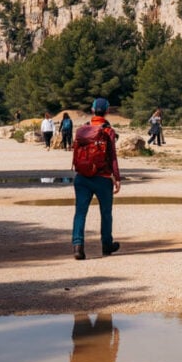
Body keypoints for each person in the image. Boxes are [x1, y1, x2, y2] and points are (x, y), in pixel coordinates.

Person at [71, 98, 121, 260]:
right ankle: (107, 244)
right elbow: (112, 156)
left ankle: (78, 246)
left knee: (80, 212)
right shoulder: (108, 131)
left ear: (92, 111)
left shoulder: (83, 129)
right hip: (102, 178)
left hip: (82, 177)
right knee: (106, 212)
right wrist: (117, 177)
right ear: (107, 111)